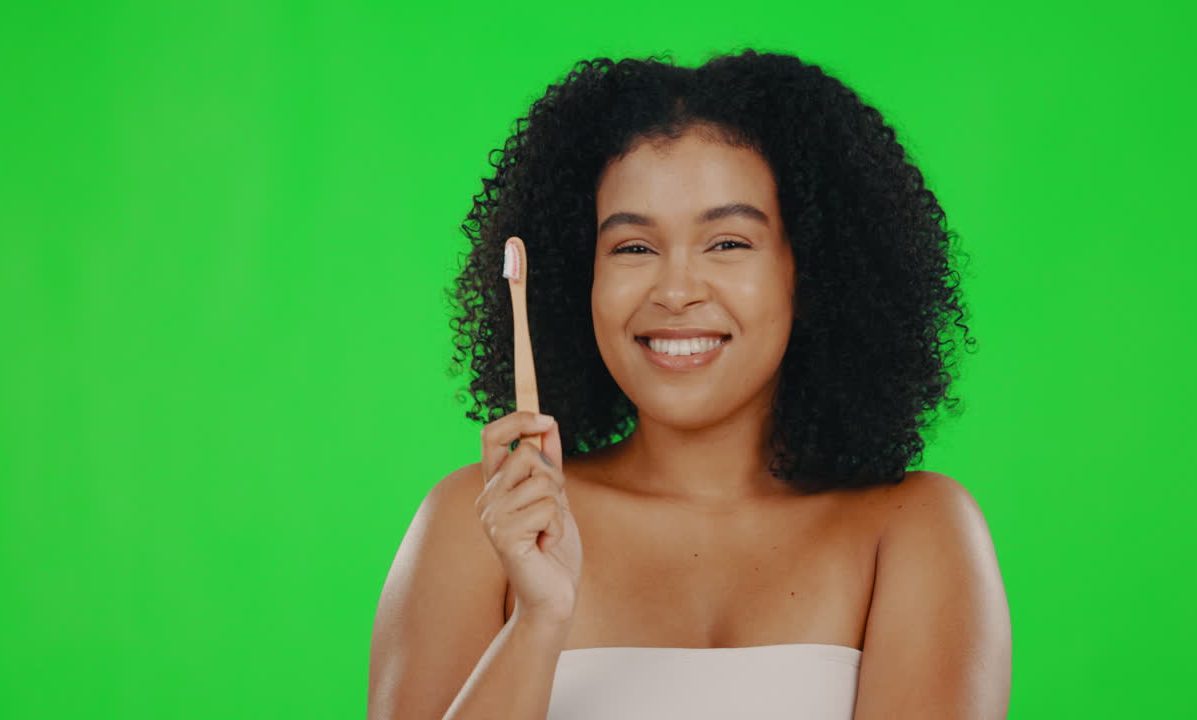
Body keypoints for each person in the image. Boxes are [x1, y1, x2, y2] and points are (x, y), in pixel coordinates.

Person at [368, 49, 1011, 720]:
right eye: (633, 248)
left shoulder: (915, 530)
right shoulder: (483, 523)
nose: (675, 292)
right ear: (577, 276)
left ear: (811, 269)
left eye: (728, 243)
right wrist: (537, 620)